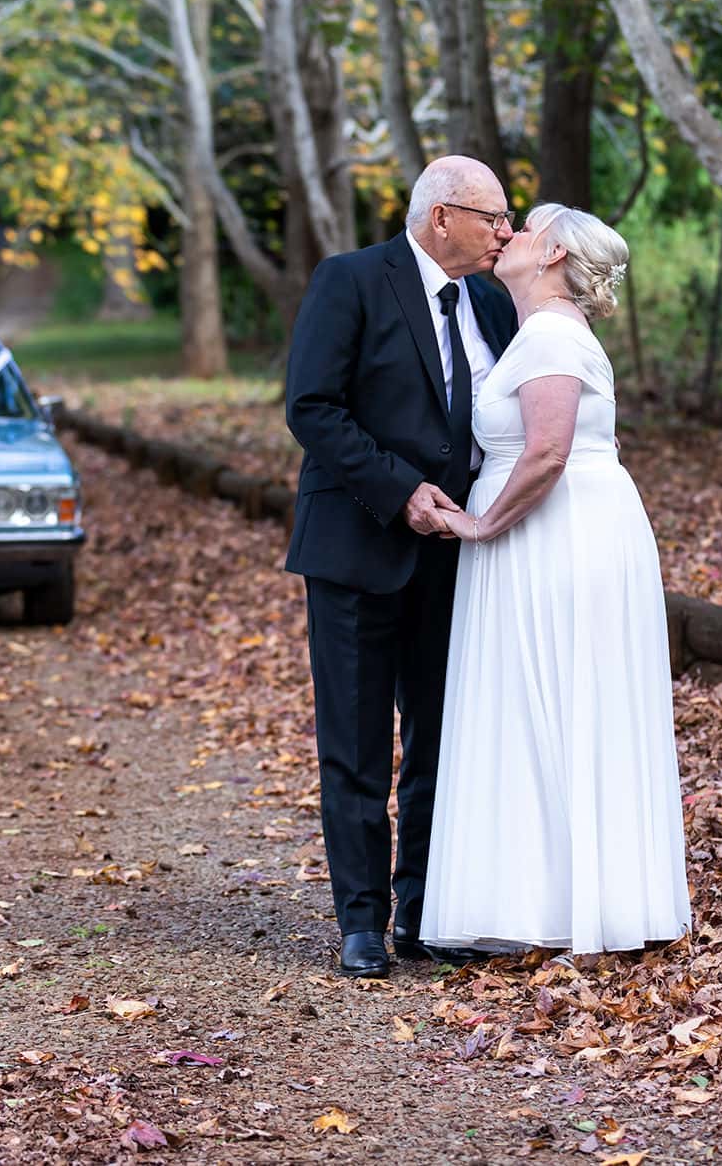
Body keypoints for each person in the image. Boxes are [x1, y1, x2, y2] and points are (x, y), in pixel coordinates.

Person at [420, 203, 691, 956]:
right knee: (541, 704)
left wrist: (480, 525)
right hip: (551, 533)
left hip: (554, 535)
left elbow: (546, 452)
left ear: (553, 258)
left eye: (527, 229)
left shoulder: (549, 335)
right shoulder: (543, 332)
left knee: (555, 699)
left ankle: (565, 905)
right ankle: (549, 896)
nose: (508, 236)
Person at [283, 155, 520, 978]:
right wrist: (401, 489)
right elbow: (312, 406)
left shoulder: (492, 301)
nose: (505, 231)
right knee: (354, 739)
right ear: (441, 216)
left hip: (457, 558)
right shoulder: (350, 281)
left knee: (438, 740)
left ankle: (422, 907)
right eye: (492, 216)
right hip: (356, 547)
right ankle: (361, 920)